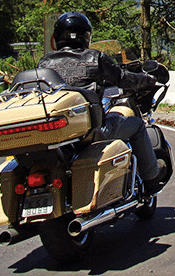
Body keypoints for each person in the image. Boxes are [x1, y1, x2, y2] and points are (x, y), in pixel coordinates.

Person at [37, 12, 166, 194]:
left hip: (58, 134)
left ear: (57, 37)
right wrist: (147, 80)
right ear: (86, 36)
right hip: (91, 132)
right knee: (137, 126)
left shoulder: (45, 63)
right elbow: (123, 78)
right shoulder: (95, 57)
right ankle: (152, 179)